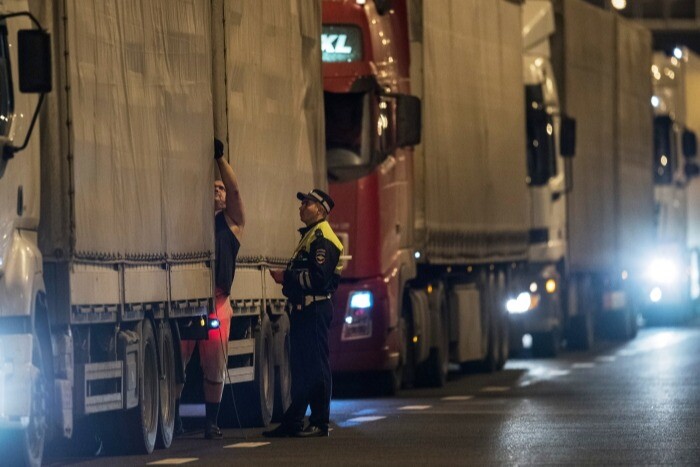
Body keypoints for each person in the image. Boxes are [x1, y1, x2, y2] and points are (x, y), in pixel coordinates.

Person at [176, 137, 244, 439]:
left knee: (214, 364)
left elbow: (236, 190)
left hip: (217, 301)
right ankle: (175, 418)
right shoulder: (194, 222)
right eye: (213, 188)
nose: (219, 192)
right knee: (179, 359)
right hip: (189, 300)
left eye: (221, 188)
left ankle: (211, 422)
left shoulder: (232, 223)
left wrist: (220, 160)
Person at [263, 188, 343, 438]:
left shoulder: (323, 238)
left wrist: (286, 276)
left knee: (317, 367)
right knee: (300, 368)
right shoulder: (310, 236)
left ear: (320, 210)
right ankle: (294, 420)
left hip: (315, 308)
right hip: (303, 309)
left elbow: (318, 279)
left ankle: (319, 422)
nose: (301, 207)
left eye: (306, 204)